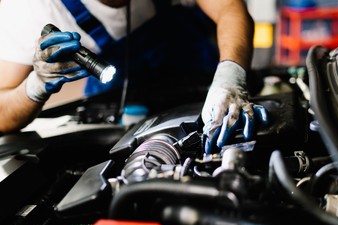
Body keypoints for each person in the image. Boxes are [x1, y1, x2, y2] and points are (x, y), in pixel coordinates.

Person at [0, 0, 268, 154]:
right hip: (118, 110)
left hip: (203, 87)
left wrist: (230, 77)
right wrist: (37, 84)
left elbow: (229, 8)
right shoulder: (33, 9)